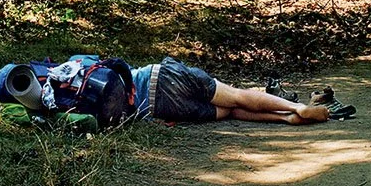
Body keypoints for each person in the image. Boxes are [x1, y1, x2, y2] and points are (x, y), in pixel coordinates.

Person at [131, 56, 353, 124]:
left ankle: (287, 118)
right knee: (235, 97)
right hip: (162, 77)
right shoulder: (96, 64)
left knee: (229, 111)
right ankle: (297, 107)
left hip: (157, 107)